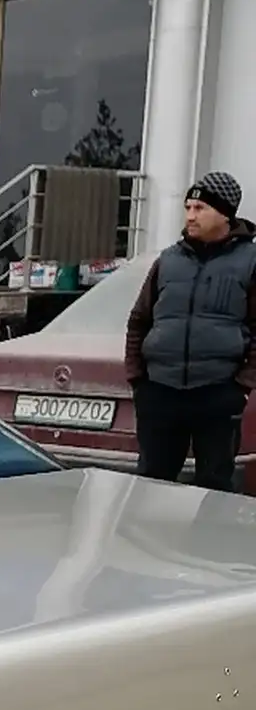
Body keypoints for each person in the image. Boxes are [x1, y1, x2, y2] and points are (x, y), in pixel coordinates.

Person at [125, 172, 256, 493]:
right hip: (159, 391)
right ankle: (142, 545)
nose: (190, 216)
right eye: (188, 207)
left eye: (199, 208)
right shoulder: (169, 260)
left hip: (217, 394)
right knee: (149, 484)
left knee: (214, 487)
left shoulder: (251, 262)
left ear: (224, 213)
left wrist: (240, 387)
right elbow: (139, 319)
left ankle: (208, 545)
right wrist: (138, 379)